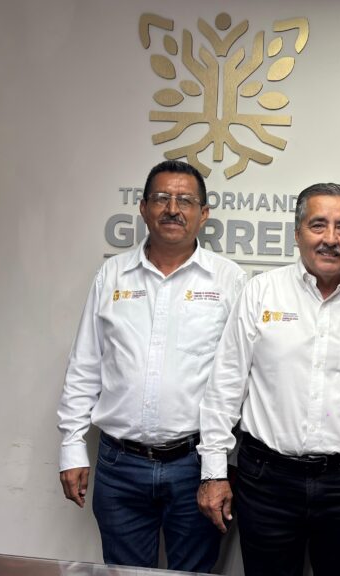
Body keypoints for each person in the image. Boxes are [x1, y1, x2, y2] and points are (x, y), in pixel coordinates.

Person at [198, 183, 340, 576]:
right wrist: (213, 471)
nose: (331, 238)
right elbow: (224, 388)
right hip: (267, 481)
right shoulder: (261, 293)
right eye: (318, 225)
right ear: (297, 233)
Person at [57, 160, 245, 571]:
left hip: (195, 464)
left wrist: (217, 469)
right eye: (161, 198)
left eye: (185, 201)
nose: (172, 209)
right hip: (119, 466)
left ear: (204, 213)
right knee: (124, 573)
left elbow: (236, 379)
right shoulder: (112, 275)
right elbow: (85, 365)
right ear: (143, 208)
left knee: (191, 574)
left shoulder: (229, 280)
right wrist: (72, 446)